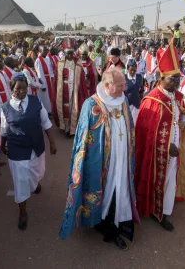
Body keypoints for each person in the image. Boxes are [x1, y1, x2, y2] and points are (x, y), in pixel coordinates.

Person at [59, 69, 138, 249]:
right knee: (105, 190)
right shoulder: (92, 104)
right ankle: (105, 225)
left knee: (121, 189)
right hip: (101, 162)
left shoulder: (123, 101)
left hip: (123, 159)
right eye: (120, 86)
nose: (124, 89)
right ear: (107, 85)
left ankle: (119, 221)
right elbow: (83, 139)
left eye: (124, 85)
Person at [134, 42, 185, 231]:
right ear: (161, 77)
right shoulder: (151, 100)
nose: (176, 83)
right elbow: (144, 132)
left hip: (175, 148)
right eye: (172, 79)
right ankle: (155, 210)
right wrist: (165, 147)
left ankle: (165, 210)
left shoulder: (179, 97)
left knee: (170, 180)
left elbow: (180, 122)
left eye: (178, 80)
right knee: (158, 178)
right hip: (158, 151)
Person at [0, 73, 56, 230]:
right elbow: (4, 130)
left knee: (38, 172)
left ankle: (36, 182)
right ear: (12, 89)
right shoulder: (5, 108)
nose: (22, 92)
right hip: (16, 150)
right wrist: (2, 145)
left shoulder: (35, 101)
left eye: (24, 88)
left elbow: (45, 122)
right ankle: (23, 212)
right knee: (20, 181)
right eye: (18, 89)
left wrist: (52, 142)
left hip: (36, 147)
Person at [53, 49, 88, 136]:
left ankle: (72, 128)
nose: (70, 55)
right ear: (65, 54)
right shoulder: (60, 64)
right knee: (64, 109)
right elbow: (56, 79)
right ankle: (66, 128)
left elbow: (82, 79)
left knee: (73, 108)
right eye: (68, 53)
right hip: (63, 90)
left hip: (74, 90)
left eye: (71, 54)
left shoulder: (78, 65)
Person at [34, 47, 55, 113]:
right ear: (40, 51)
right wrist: (42, 85)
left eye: (47, 50)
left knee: (48, 97)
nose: (46, 51)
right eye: (44, 50)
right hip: (44, 81)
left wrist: (52, 78)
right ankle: (45, 112)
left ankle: (49, 110)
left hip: (48, 79)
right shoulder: (38, 60)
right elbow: (39, 73)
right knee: (44, 97)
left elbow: (50, 70)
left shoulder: (47, 59)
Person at [124, 59, 144, 124]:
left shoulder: (139, 77)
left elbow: (141, 90)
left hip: (137, 105)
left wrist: (142, 101)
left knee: (136, 123)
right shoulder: (124, 78)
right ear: (127, 68)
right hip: (127, 106)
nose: (133, 72)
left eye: (134, 70)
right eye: (131, 70)